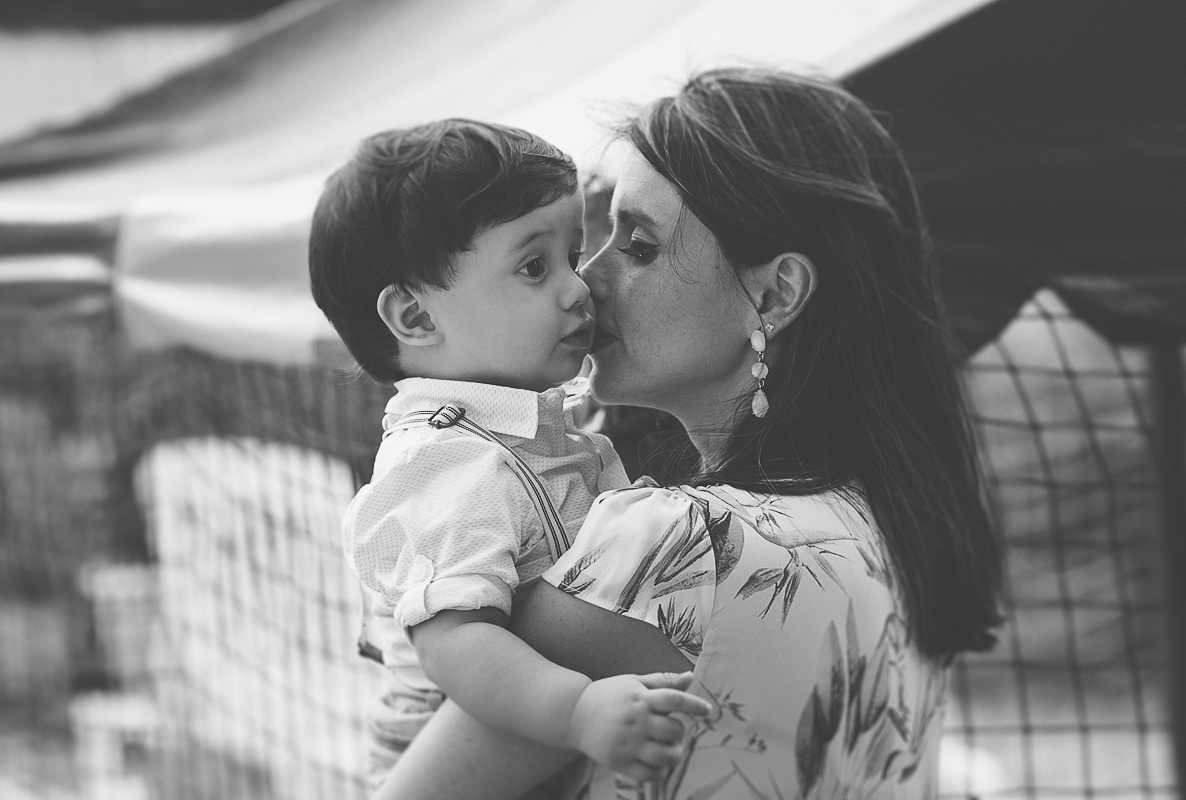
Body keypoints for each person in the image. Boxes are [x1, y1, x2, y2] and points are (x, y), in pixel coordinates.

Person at [375, 68, 1004, 800]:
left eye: (638, 245)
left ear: (773, 295)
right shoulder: (894, 533)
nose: (586, 280)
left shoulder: (675, 546)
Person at [307, 119, 714, 789]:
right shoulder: (445, 460)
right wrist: (578, 710)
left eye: (571, 253)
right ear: (414, 318)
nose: (578, 286)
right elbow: (456, 644)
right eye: (534, 266)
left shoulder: (530, 431)